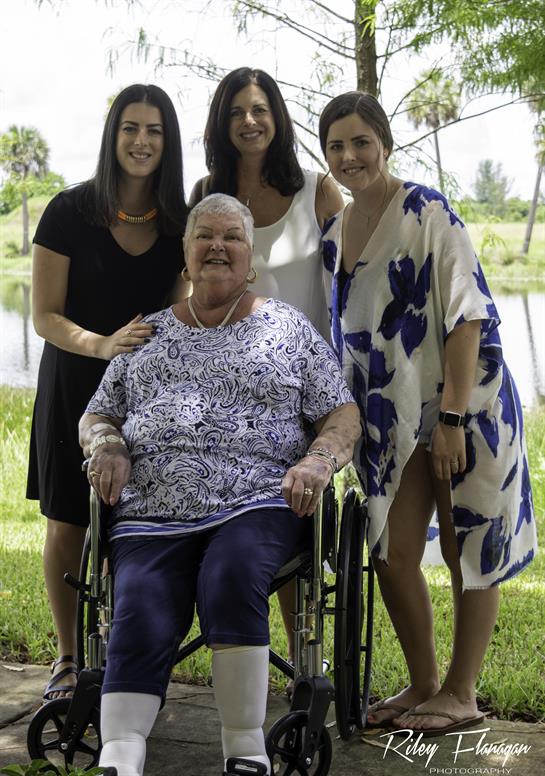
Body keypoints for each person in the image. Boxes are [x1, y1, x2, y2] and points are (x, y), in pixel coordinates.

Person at [78, 193, 360, 776]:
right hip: (152, 508)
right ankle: (119, 755)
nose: (217, 246)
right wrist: (106, 444)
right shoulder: (145, 334)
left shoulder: (288, 329)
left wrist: (317, 462)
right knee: (140, 599)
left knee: (230, 574)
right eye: (204, 235)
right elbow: (97, 412)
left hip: (256, 500)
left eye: (232, 236)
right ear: (185, 254)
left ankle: (245, 748)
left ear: (249, 257)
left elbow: (342, 413)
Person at [318, 91, 537, 736]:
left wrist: (451, 419)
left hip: (461, 404)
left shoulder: (426, 210)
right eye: (336, 146)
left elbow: (467, 313)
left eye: (361, 141)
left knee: (471, 538)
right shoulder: (334, 235)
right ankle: (423, 683)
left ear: (384, 142)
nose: (349, 155)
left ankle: (461, 692)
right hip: (390, 422)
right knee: (392, 551)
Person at [26, 84, 188, 702]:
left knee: (139, 523)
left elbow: (185, 306)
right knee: (68, 520)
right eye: (130, 128)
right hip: (72, 384)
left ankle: (130, 658)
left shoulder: (178, 222)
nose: (141, 141)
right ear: (112, 135)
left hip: (151, 398)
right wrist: (100, 345)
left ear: (167, 142)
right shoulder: (69, 212)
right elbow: (44, 315)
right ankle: (68, 658)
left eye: (154, 130)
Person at [189, 66, 344, 673]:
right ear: (221, 124)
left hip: (303, 381)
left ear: (277, 118)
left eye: (260, 109)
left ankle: (307, 667)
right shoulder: (207, 191)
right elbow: (193, 282)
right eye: (235, 112)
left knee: (292, 515)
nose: (249, 121)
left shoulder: (317, 189)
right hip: (227, 386)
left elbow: (348, 286)